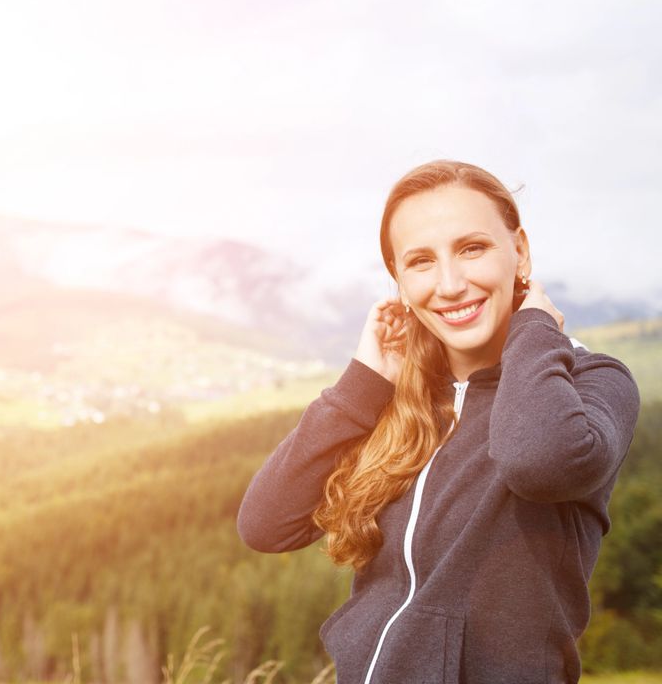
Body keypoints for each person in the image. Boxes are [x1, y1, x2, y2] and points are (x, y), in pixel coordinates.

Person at [236, 160, 640, 684]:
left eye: (472, 248)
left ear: (520, 251)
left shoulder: (593, 382)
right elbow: (266, 524)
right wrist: (365, 381)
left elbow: (539, 461)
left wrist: (535, 328)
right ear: (399, 282)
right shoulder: (399, 399)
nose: (449, 284)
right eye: (421, 262)